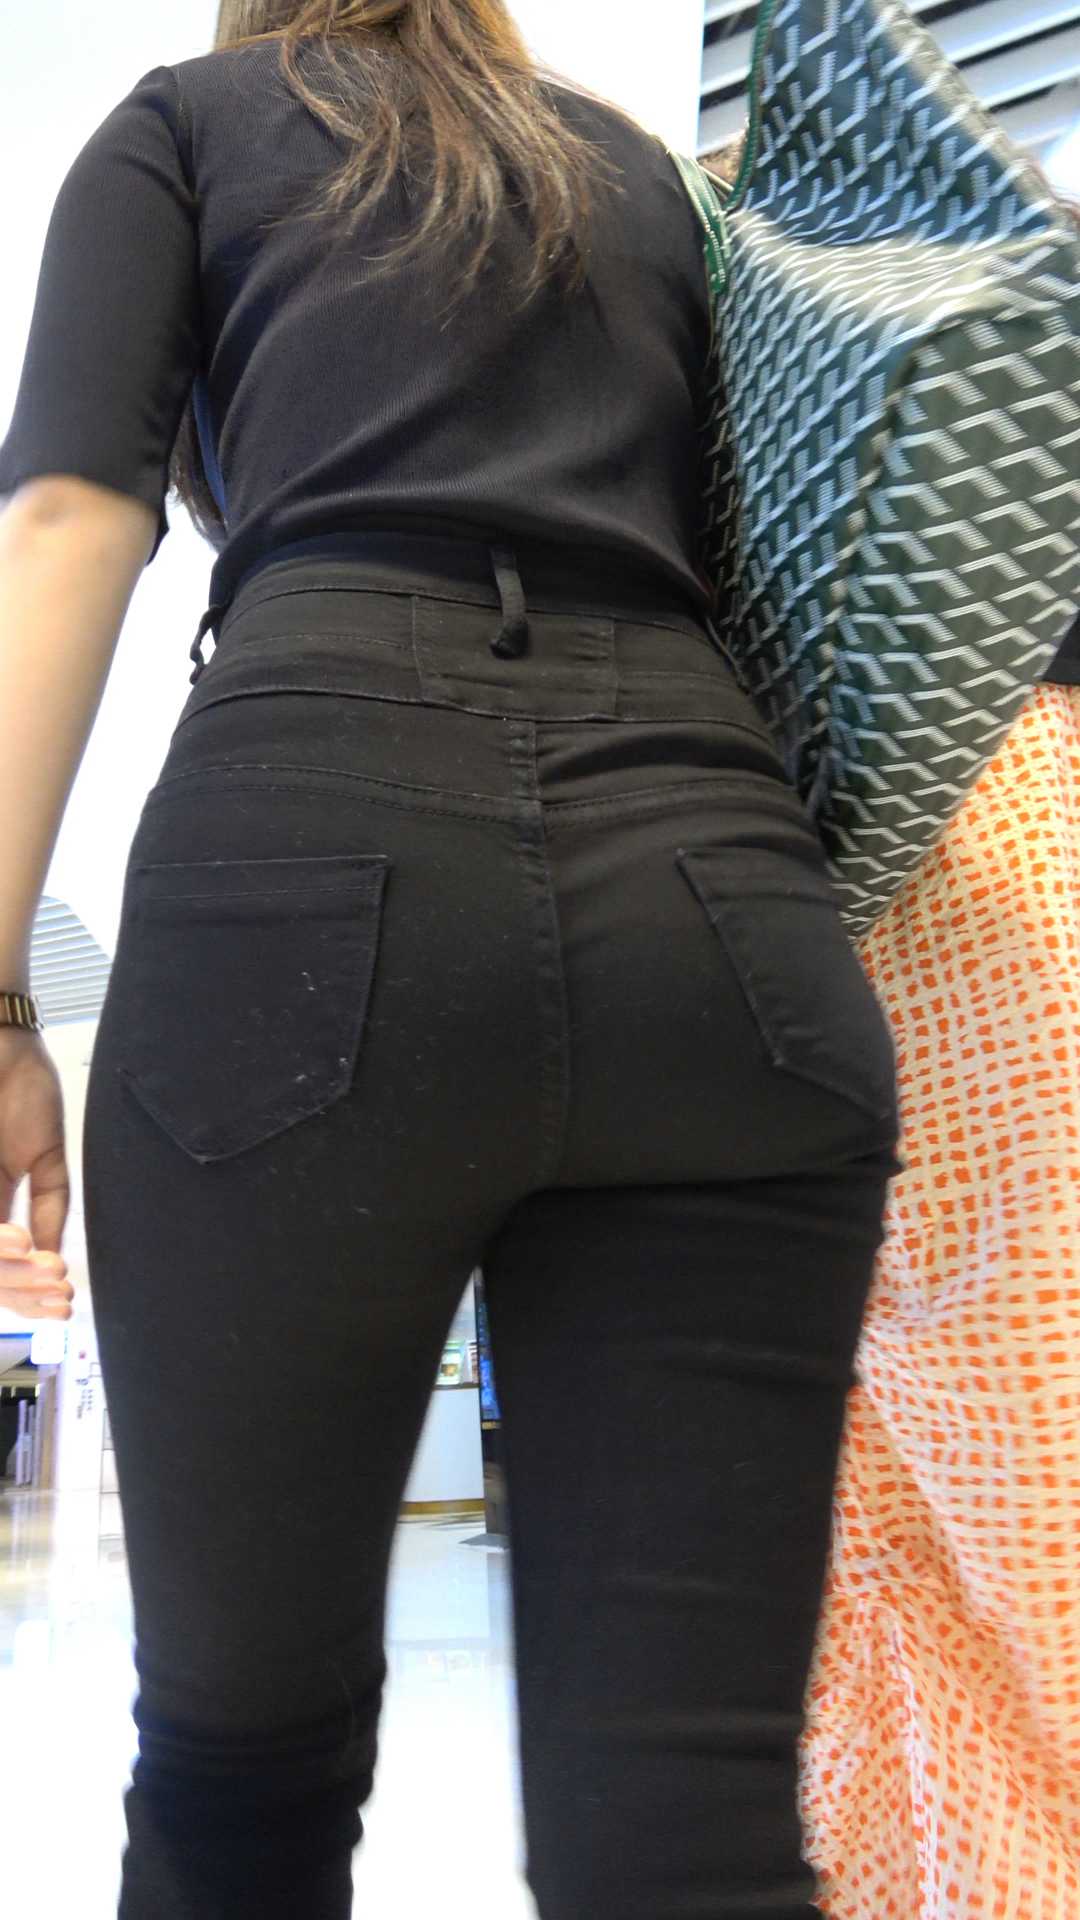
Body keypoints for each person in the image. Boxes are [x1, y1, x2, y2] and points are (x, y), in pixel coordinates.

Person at [0, 7, 906, 1918]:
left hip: (309, 874)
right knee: (689, 1830)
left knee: (241, 1773)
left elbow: (69, 517)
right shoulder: (640, 178)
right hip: (719, 900)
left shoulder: (185, 126)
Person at [699, 139, 1080, 1920]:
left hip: (792, 872)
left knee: (890, 1536)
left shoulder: (720, 282)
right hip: (977, 857)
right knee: (977, 1502)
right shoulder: (985, 315)